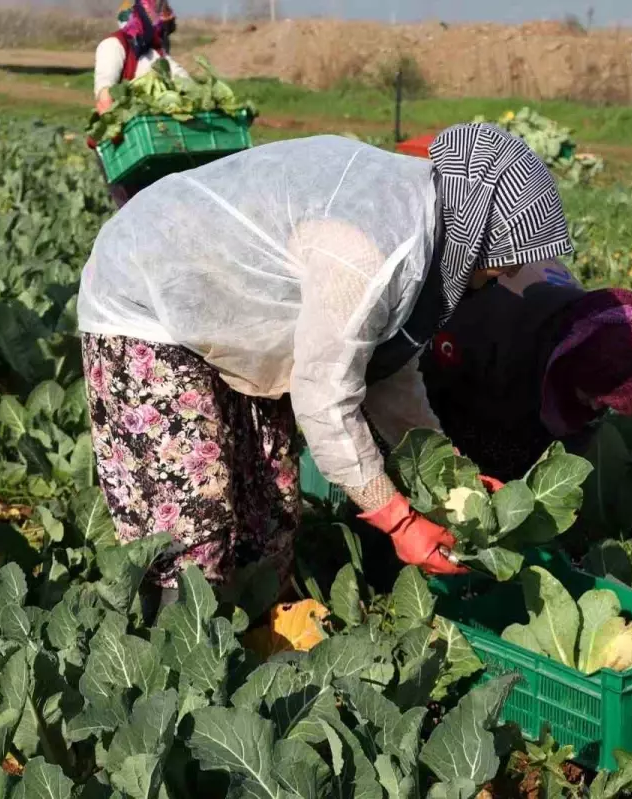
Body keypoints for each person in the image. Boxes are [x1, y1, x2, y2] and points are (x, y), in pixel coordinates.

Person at [76, 123, 576, 604]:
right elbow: (324, 399)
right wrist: (398, 520)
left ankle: (245, 644)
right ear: (477, 232)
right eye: (498, 265)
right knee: (193, 522)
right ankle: (172, 663)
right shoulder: (373, 247)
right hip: (145, 293)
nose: (493, 280)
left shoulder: (424, 220)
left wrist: (450, 472)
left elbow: (387, 375)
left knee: (267, 513)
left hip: (228, 311)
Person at [419, 261, 632, 482]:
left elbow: (571, 444)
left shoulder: (589, 337)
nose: (597, 406)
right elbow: (420, 393)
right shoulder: (490, 323)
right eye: (593, 394)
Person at [91, 0, 187, 208]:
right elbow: (104, 96)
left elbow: (184, 82)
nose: (164, 33)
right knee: (134, 211)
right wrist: (118, 135)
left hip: (155, 145)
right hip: (124, 147)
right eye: (162, 25)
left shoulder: (157, 54)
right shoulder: (114, 45)